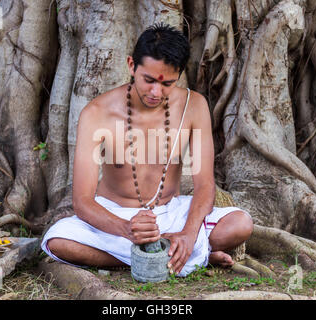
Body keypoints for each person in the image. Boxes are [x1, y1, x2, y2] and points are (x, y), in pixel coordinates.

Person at [41, 23, 253, 276]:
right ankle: (189, 256)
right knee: (58, 241)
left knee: (240, 224)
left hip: (173, 214)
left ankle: (174, 248)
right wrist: (126, 228)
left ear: (179, 74)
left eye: (167, 84)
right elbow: (83, 202)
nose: (156, 92)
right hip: (116, 218)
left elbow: (205, 185)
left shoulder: (194, 106)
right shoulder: (96, 113)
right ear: (132, 66)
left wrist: (188, 233)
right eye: (149, 80)